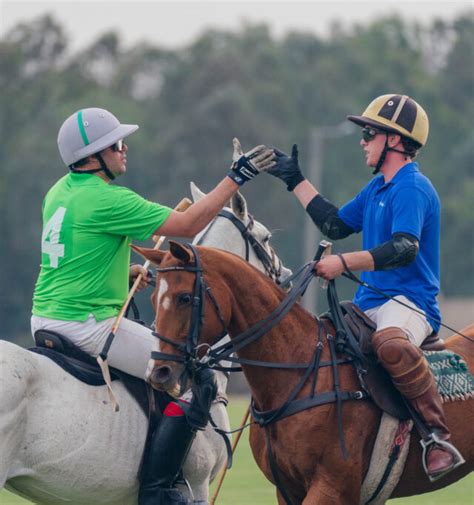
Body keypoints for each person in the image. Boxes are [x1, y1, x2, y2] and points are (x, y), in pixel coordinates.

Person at [31, 107, 275, 505]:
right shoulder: (108, 199)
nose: (124, 149)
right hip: (88, 324)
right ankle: (158, 488)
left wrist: (124, 273)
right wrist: (237, 178)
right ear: (93, 157)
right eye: (116, 145)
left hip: (46, 316)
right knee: (197, 377)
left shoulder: (59, 192)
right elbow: (188, 225)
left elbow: (76, 252)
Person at [266, 94, 464, 481]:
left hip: (410, 303)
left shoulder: (412, 187)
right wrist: (295, 179)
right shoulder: (376, 189)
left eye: (370, 133)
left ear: (395, 140)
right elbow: (336, 225)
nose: (363, 141)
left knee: (389, 344)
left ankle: (436, 437)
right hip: (367, 302)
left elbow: (404, 248)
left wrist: (343, 262)